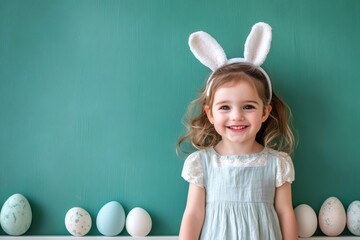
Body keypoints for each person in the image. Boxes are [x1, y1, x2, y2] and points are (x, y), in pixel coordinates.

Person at [177, 23, 298, 240]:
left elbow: (285, 212)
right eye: (225, 107)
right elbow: (193, 214)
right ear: (210, 114)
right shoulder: (202, 164)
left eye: (248, 106)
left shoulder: (277, 164)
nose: (236, 116)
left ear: (264, 112)